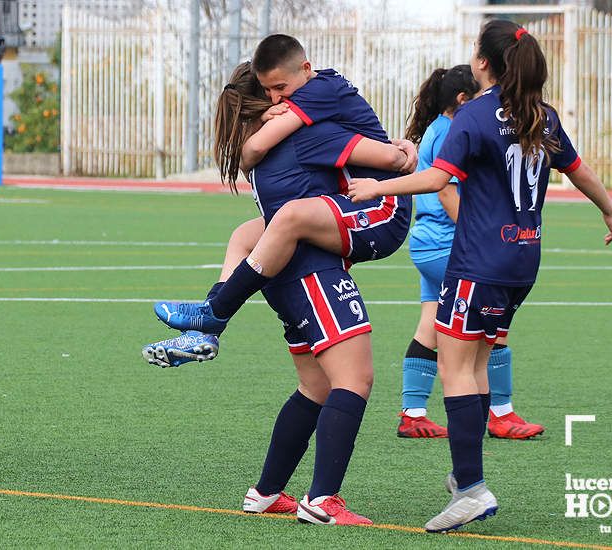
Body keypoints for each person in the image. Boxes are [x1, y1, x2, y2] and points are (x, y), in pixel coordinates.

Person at [348, 20, 612, 532]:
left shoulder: (473, 115)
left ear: (484, 64)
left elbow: (436, 178)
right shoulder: (543, 115)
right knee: (474, 361)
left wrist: (378, 188)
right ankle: (464, 477)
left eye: (476, 50)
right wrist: (608, 210)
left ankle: (470, 487)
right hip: (522, 262)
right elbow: (578, 170)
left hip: (479, 263)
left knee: (457, 369)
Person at [150, 62, 413, 525]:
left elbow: (249, 232)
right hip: (312, 274)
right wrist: (405, 153)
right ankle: (323, 499)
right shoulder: (309, 135)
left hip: (280, 277)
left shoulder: (263, 151)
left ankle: (267, 492)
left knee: (315, 386)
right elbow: (388, 162)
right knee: (355, 379)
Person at [152, 34, 414, 357]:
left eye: (280, 93)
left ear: (305, 70)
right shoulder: (307, 107)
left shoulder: (313, 111)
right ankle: (207, 324)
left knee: (350, 383)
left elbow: (255, 148)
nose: (276, 101)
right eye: (268, 94)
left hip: (383, 207)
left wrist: (404, 155)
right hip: (345, 218)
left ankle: (214, 313)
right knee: (244, 236)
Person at [395, 65, 544, 440]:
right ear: (463, 99)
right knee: (491, 331)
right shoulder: (458, 129)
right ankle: (501, 413)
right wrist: (484, 237)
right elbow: (445, 190)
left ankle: (412, 413)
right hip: (452, 245)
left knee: (430, 324)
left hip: (427, 243)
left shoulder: (435, 128)